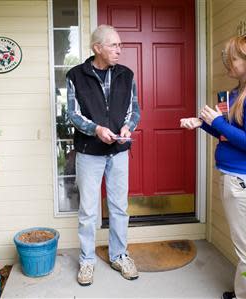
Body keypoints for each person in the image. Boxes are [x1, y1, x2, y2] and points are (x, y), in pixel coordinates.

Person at [180, 33, 246, 299]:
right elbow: (228, 133)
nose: (227, 62)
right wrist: (202, 124)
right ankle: (245, 294)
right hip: (239, 180)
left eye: (232, 58)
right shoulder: (240, 92)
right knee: (245, 247)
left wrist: (216, 122)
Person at [66, 25, 141, 286]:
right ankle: (87, 260)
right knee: (88, 210)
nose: (119, 50)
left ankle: (119, 255)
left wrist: (126, 128)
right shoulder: (76, 75)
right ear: (97, 48)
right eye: (114, 45)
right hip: (90, 152)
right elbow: (73, 114)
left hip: (118, 152)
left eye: (120, 45)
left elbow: (134, 110)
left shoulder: (126, 75)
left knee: (119, 207)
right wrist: (95, 129)